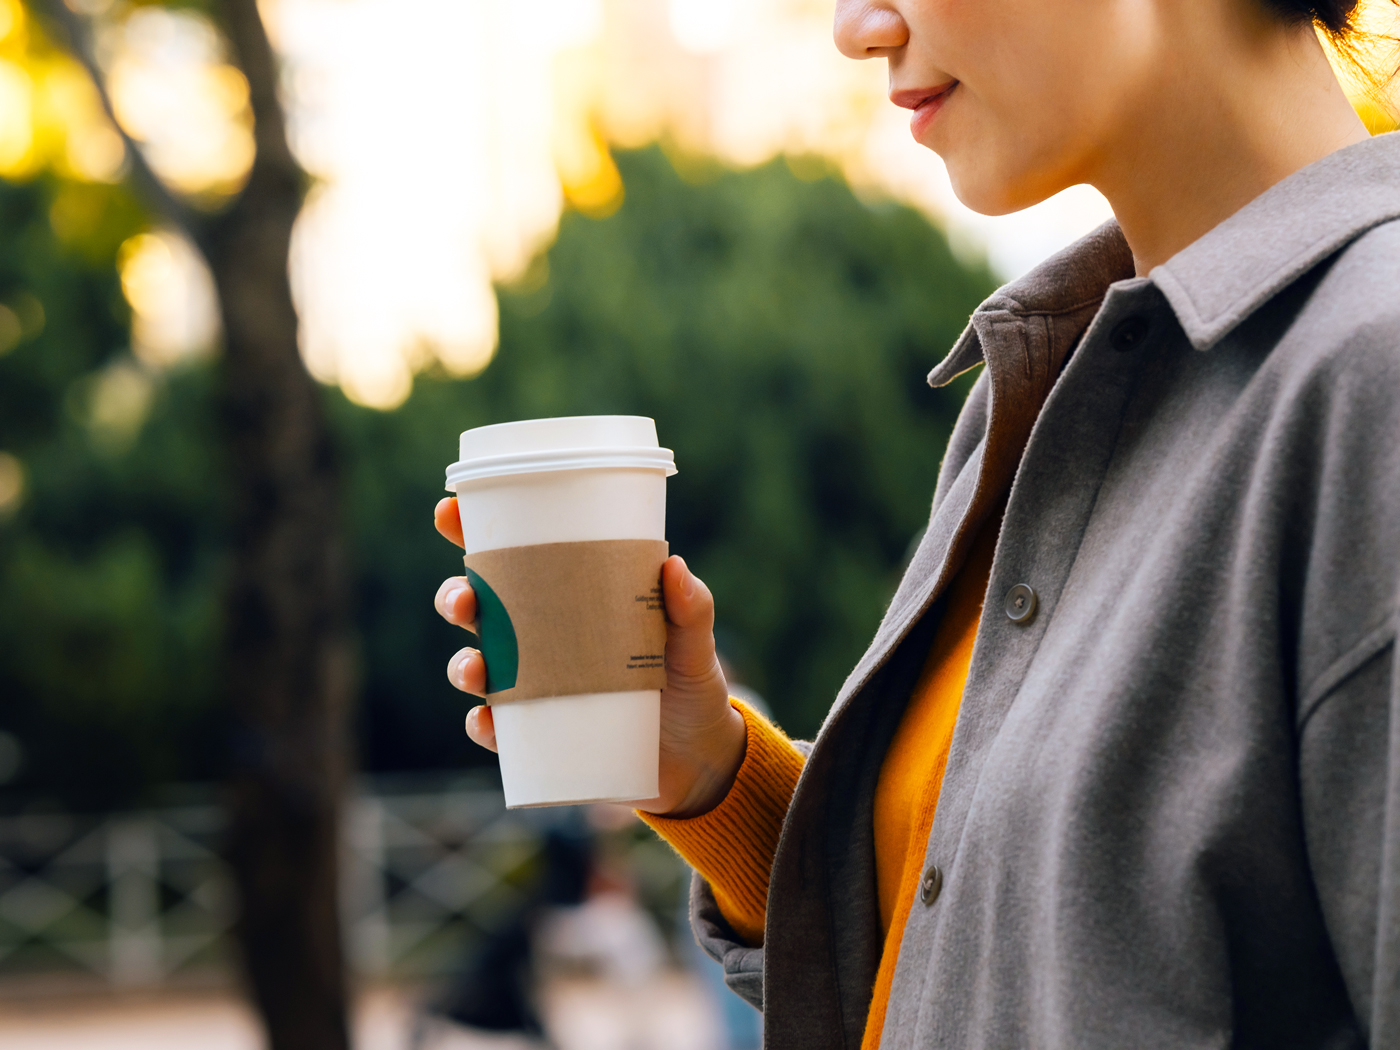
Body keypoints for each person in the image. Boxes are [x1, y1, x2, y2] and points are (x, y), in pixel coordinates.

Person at [432, 0, 1400, 1043]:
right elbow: (988, 966)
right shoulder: (1042, 380)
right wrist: (715, 778)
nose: (857, 28)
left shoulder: (1370, 379)